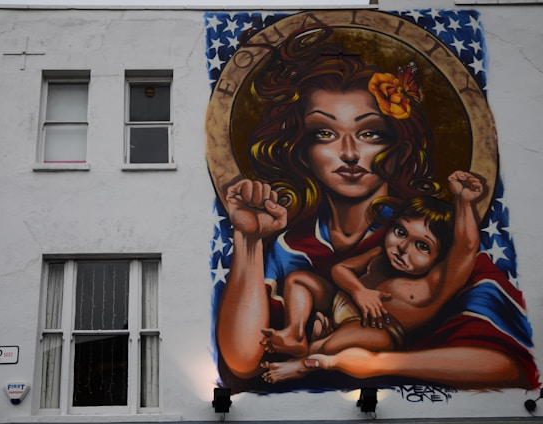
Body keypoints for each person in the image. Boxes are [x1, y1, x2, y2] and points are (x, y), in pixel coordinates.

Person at [215, 23, 538, 391]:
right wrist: (249, 241)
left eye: (370, 133)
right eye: (325, 133)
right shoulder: (291, 247)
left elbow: (506, 366)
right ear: (302, 151)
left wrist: (370, 363)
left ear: (399, 146)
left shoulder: (436, 237)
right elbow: (244, 361)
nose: (349, 153)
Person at [259, 171, 483, 383]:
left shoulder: (437, 283)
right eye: (401, 232)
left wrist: (464, 202)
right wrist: (359, 291)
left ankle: (303, 362)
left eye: (422, 246)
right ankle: (295, 332)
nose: (403, 247)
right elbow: (340, 269)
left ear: (440, 258)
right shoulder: (380, 254)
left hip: (376, 328)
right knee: (298, 279)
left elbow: (466, 247)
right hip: (341, 301)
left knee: (328, 347)